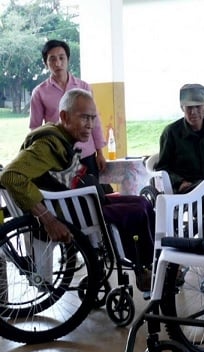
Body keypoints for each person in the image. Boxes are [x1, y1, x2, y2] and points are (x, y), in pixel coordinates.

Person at [1, 88, 155, 288]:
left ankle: (147, 265)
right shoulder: (47, 144)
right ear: (64, 116)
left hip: (80, 203)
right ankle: (144, 268)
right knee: (137, 210)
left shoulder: (60, 138)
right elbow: (10, 176)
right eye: (84, 118)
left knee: (143, 202)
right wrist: (48, 219)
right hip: (73, 211)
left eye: (93, 118)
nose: (90, 125)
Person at [29, 40, 107, 178]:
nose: (58, 63)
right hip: (58, 157)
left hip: (86, 154)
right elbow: (35, 129)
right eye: (52, 59)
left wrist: (100, 153)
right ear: (45, 63)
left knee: (93, 195)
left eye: (61, 57)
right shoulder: (39, 92)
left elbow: (95, 121)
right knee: (65, 198)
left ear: (68, 59)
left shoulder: (84, 87)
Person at [155, 84, 204, 193]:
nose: (193, 112)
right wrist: (180, 182)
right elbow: (162, 168)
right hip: (189, 190)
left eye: (198, 106)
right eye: (189, 107)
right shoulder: (171, 133)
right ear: (182, 107)